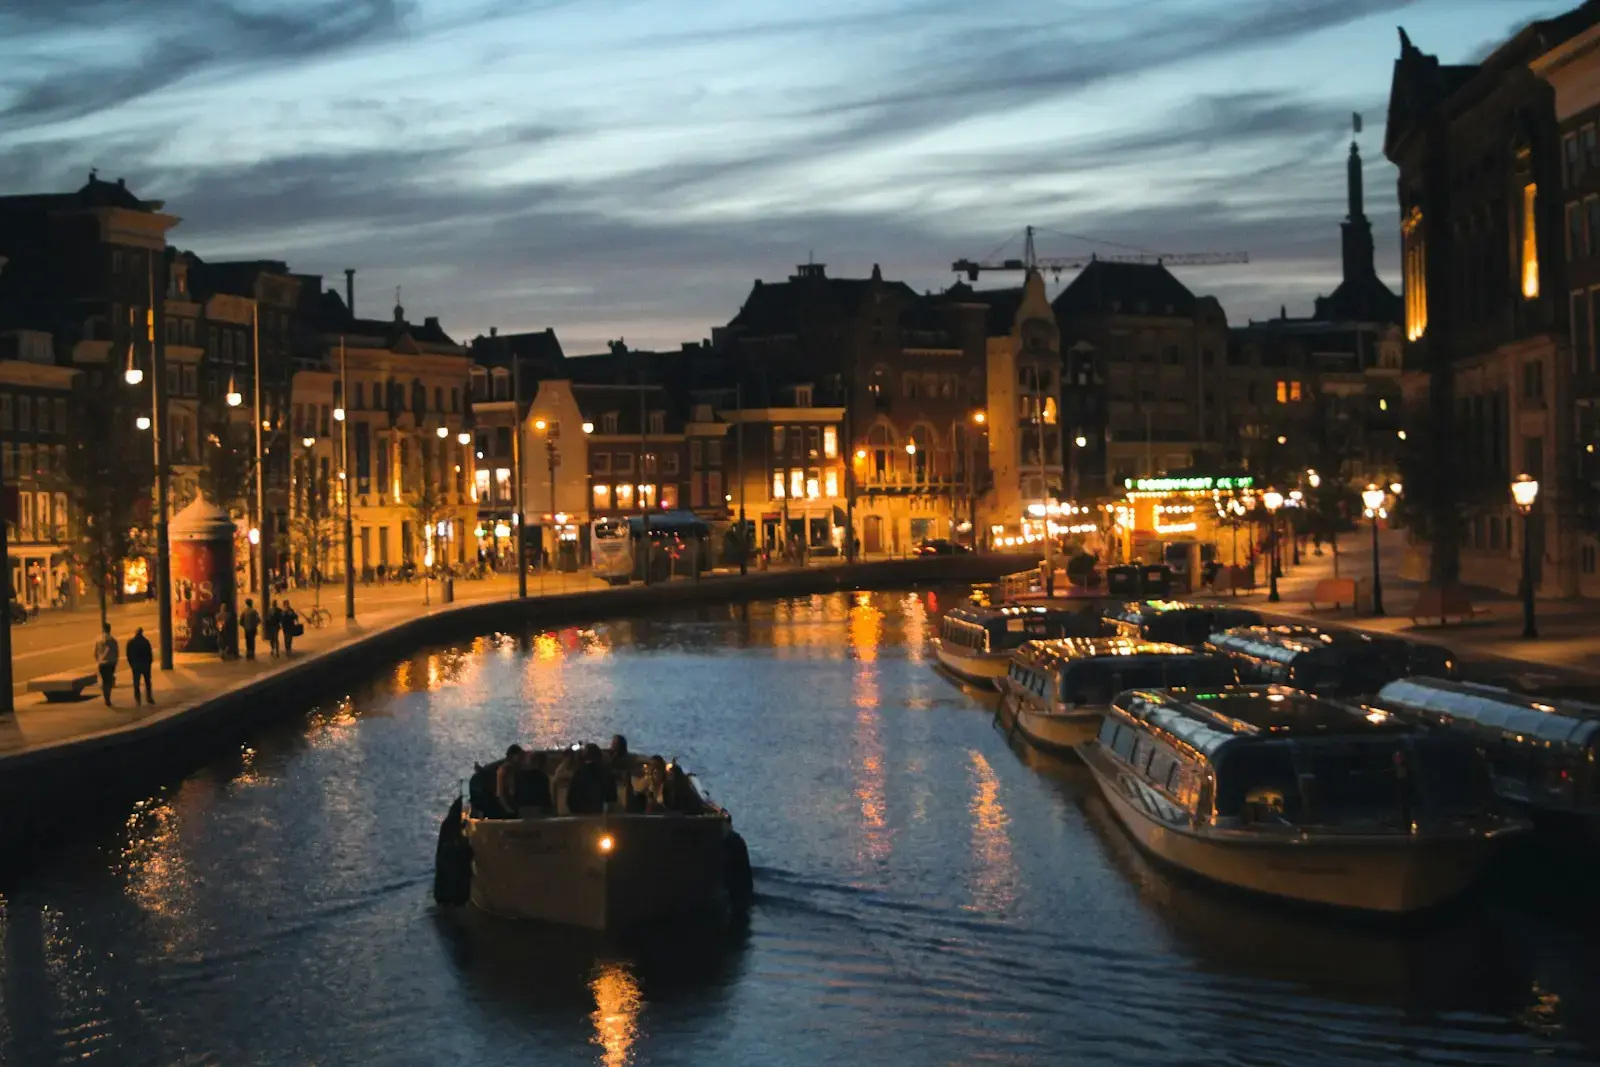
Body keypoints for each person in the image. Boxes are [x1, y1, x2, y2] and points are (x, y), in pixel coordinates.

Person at [565, 743, 614, 815]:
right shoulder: (606, 773)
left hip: (581, 814)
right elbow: (612, 798)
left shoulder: (579, 773)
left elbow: (571, 799)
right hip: (600, 814)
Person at [515, 751, 554, 816]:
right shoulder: (543, 777)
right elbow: (545, 795)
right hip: (540, 807)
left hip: (522, 807)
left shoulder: (519, 775)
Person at [495, 744, 527, 816]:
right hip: (508, 807)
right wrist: (508, 809)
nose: (521, 759)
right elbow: (500, 793)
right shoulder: (504, 770)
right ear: (512, 756)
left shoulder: (516, 769)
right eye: (519, 757)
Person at [126, 626, 154, 706]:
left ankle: (138, 700)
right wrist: (149, 664)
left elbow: (128, 655)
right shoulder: (145, 642)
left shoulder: (131, 642)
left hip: (136, 665)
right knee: (147, 682)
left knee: (136, 683)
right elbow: (150, 654)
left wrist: (131, 664)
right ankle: (149, 698)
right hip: (145, 665)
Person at [93, 623, 118, 707]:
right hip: (110, 663)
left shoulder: (98, 639)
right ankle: (108, 698)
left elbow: (95, 653)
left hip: (102, 664)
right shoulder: (112, 640)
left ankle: (106, 697)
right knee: (109, 682)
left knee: (104, 681)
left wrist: (99, 660)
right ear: (110, 629)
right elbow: (115, 653)